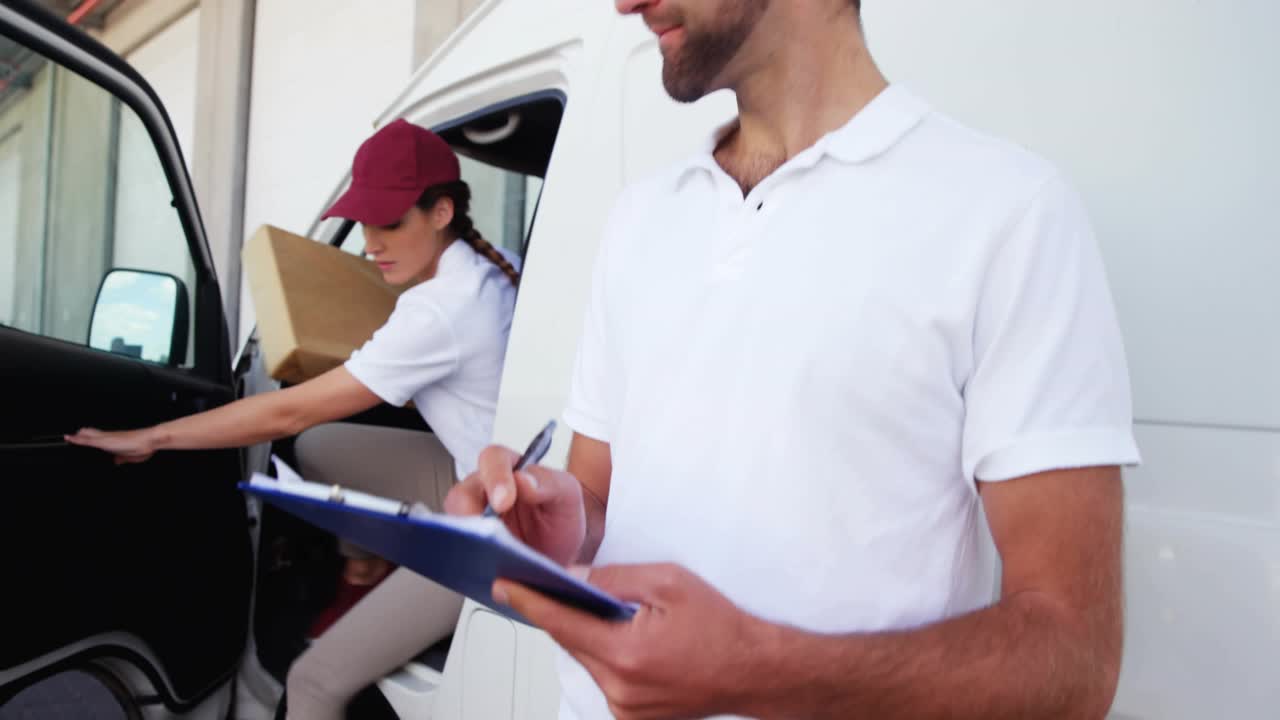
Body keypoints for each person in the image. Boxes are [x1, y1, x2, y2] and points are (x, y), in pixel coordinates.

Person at [445, 0, 1142, 718]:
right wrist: (554, 521)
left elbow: (1073, 660)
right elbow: (595, 492)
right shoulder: (642, 218)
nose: (624, 2)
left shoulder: (1008, 213)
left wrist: (753, 670)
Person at [66, 118, 521, 720]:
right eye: (363, 221)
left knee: (311, 682)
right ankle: (366, 572)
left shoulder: (439, 310)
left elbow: (287, 408)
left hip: (498, 533)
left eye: (389, 223)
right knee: (321, 447)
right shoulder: (493, 268)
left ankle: (400, 573)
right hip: (493, 475)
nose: (369, 243)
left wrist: (155, 436)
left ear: (441, 212)